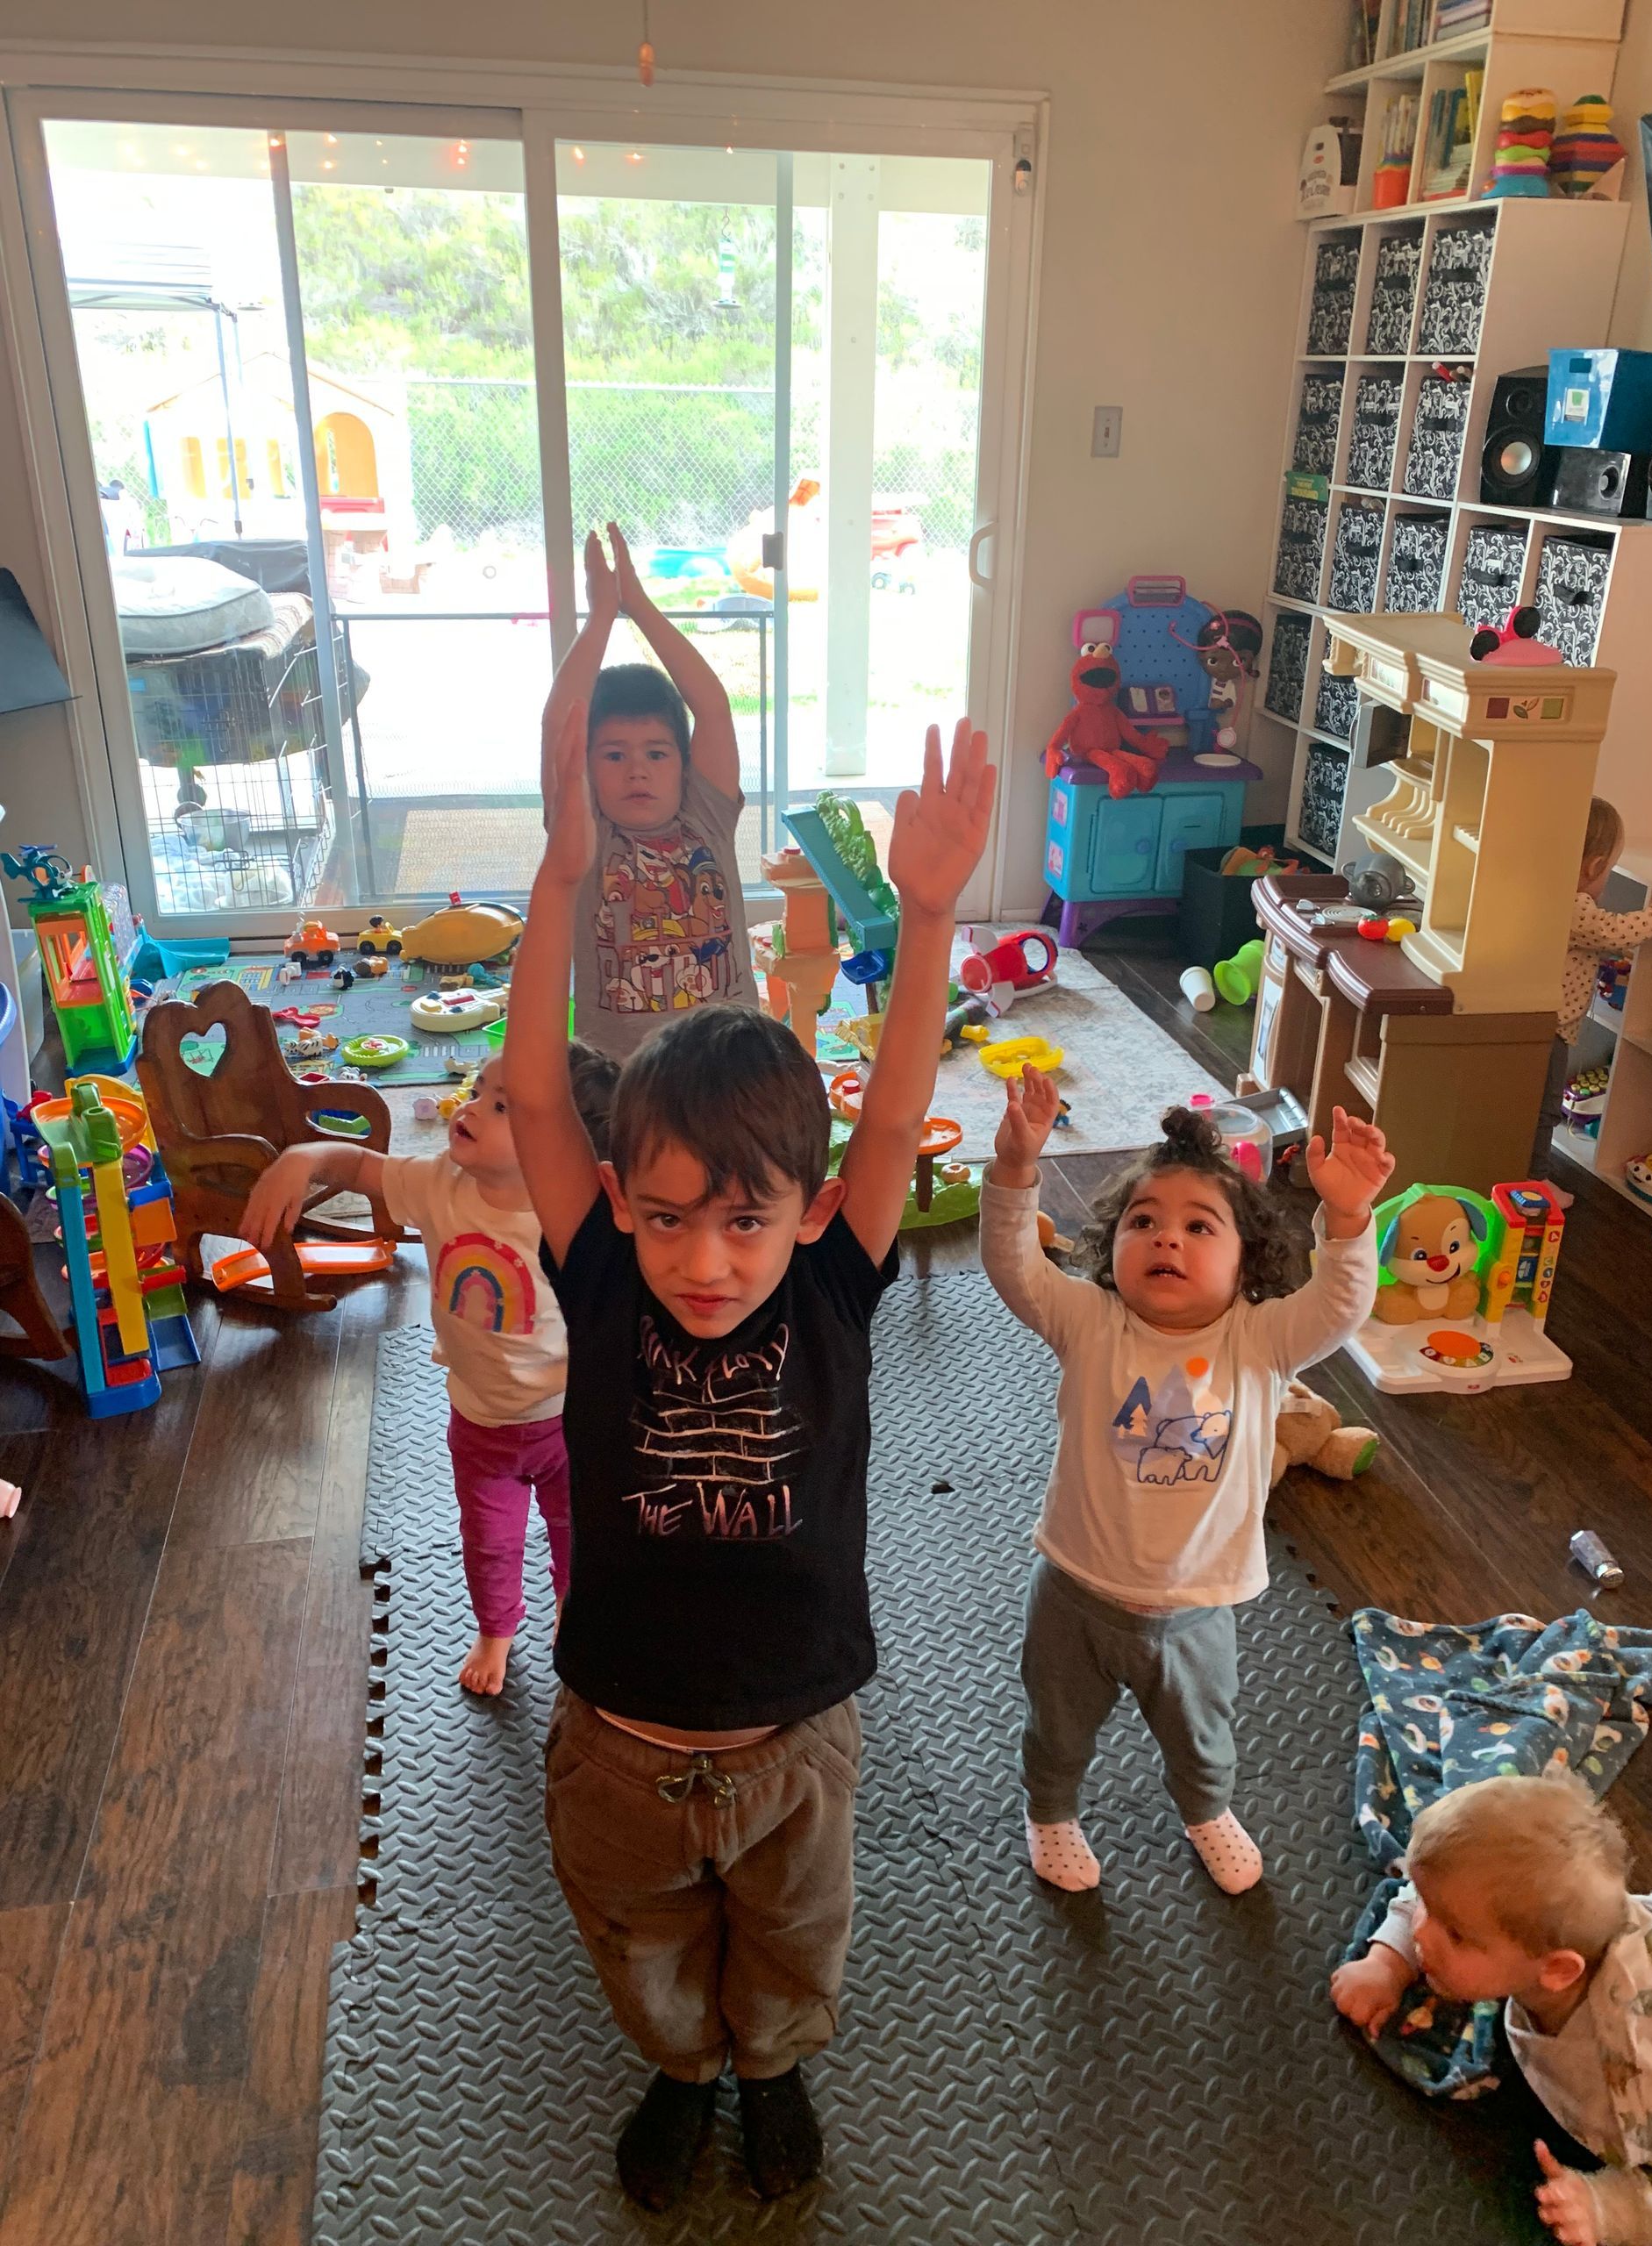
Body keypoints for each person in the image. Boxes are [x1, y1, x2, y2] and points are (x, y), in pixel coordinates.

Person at [504, 697, 994, 2212]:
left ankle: (773, 2070)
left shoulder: (834, 1289)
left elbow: (899, 1111)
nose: (704, 1261)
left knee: (793, 1943)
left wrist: (924, 920)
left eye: (744, 1222)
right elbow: (533, 1090)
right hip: (621, 1742)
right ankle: (683, 2070)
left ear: (806, 1207)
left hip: (795, 1737)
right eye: (666, 1219)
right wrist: (558, 880)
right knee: (643, 1954)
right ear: (616, 1202)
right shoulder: (597, 1275)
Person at [981, 1081, 1389, 1897]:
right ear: (1115, 1247)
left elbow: (1341, 1303)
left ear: (1247, 1265)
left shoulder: (1263, 1340)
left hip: (1199, 1607)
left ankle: (1206, 1810)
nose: (1167, 1238)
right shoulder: (1091, 1323)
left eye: (1199, 1226)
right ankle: (1051, 1813)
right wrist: (1015, 1170)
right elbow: (1016, 1267)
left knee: (1205, 1739)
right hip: (1073, 1591)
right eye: (1144, 1222)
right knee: (1056, 1730)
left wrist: (1345, 1218)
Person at [241, 1047, 618, 1695]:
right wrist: (302, 1157)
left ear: (560, 1151)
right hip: (480, 1421)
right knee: (489, 1541)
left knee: (577, 1534)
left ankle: (572, 1611)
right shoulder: (442, 1182)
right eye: (478, 1088)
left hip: (570, 1421)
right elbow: (361, 1165)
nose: (470, 1106)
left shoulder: (579, 1221)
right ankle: (497, 1628)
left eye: (501, 1106)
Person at [1331, 1773, 1652, 2246]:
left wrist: (1618, 2209)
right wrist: (1387, 1960)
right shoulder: (1549, 1925)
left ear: (1557, 1970)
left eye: (1454, 1935)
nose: (1423, 1933)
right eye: (1426, 1911)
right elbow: (1444, 1887)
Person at [544, 520, 753, 1060]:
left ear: (684, 764)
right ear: (586, 766)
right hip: (620, 1077)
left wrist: (638, 604)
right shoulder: (583, 828)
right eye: (614, 755)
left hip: (726, 1062)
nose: (637, 770)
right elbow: (559, 721)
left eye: (656, 753)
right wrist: (600, 619)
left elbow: (712, 705)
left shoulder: (705, 811)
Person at [1533, 796, 1652, 1184]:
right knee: (1543, 1111)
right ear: (1594, 867)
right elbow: (1618, 931)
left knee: (1537, 1107)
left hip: (1545, 1021)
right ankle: (1536, 1182)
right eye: (1609, 872)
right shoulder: (1574, 906)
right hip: (1548, 1028)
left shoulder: (1542, 890)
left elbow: (1601, 940)